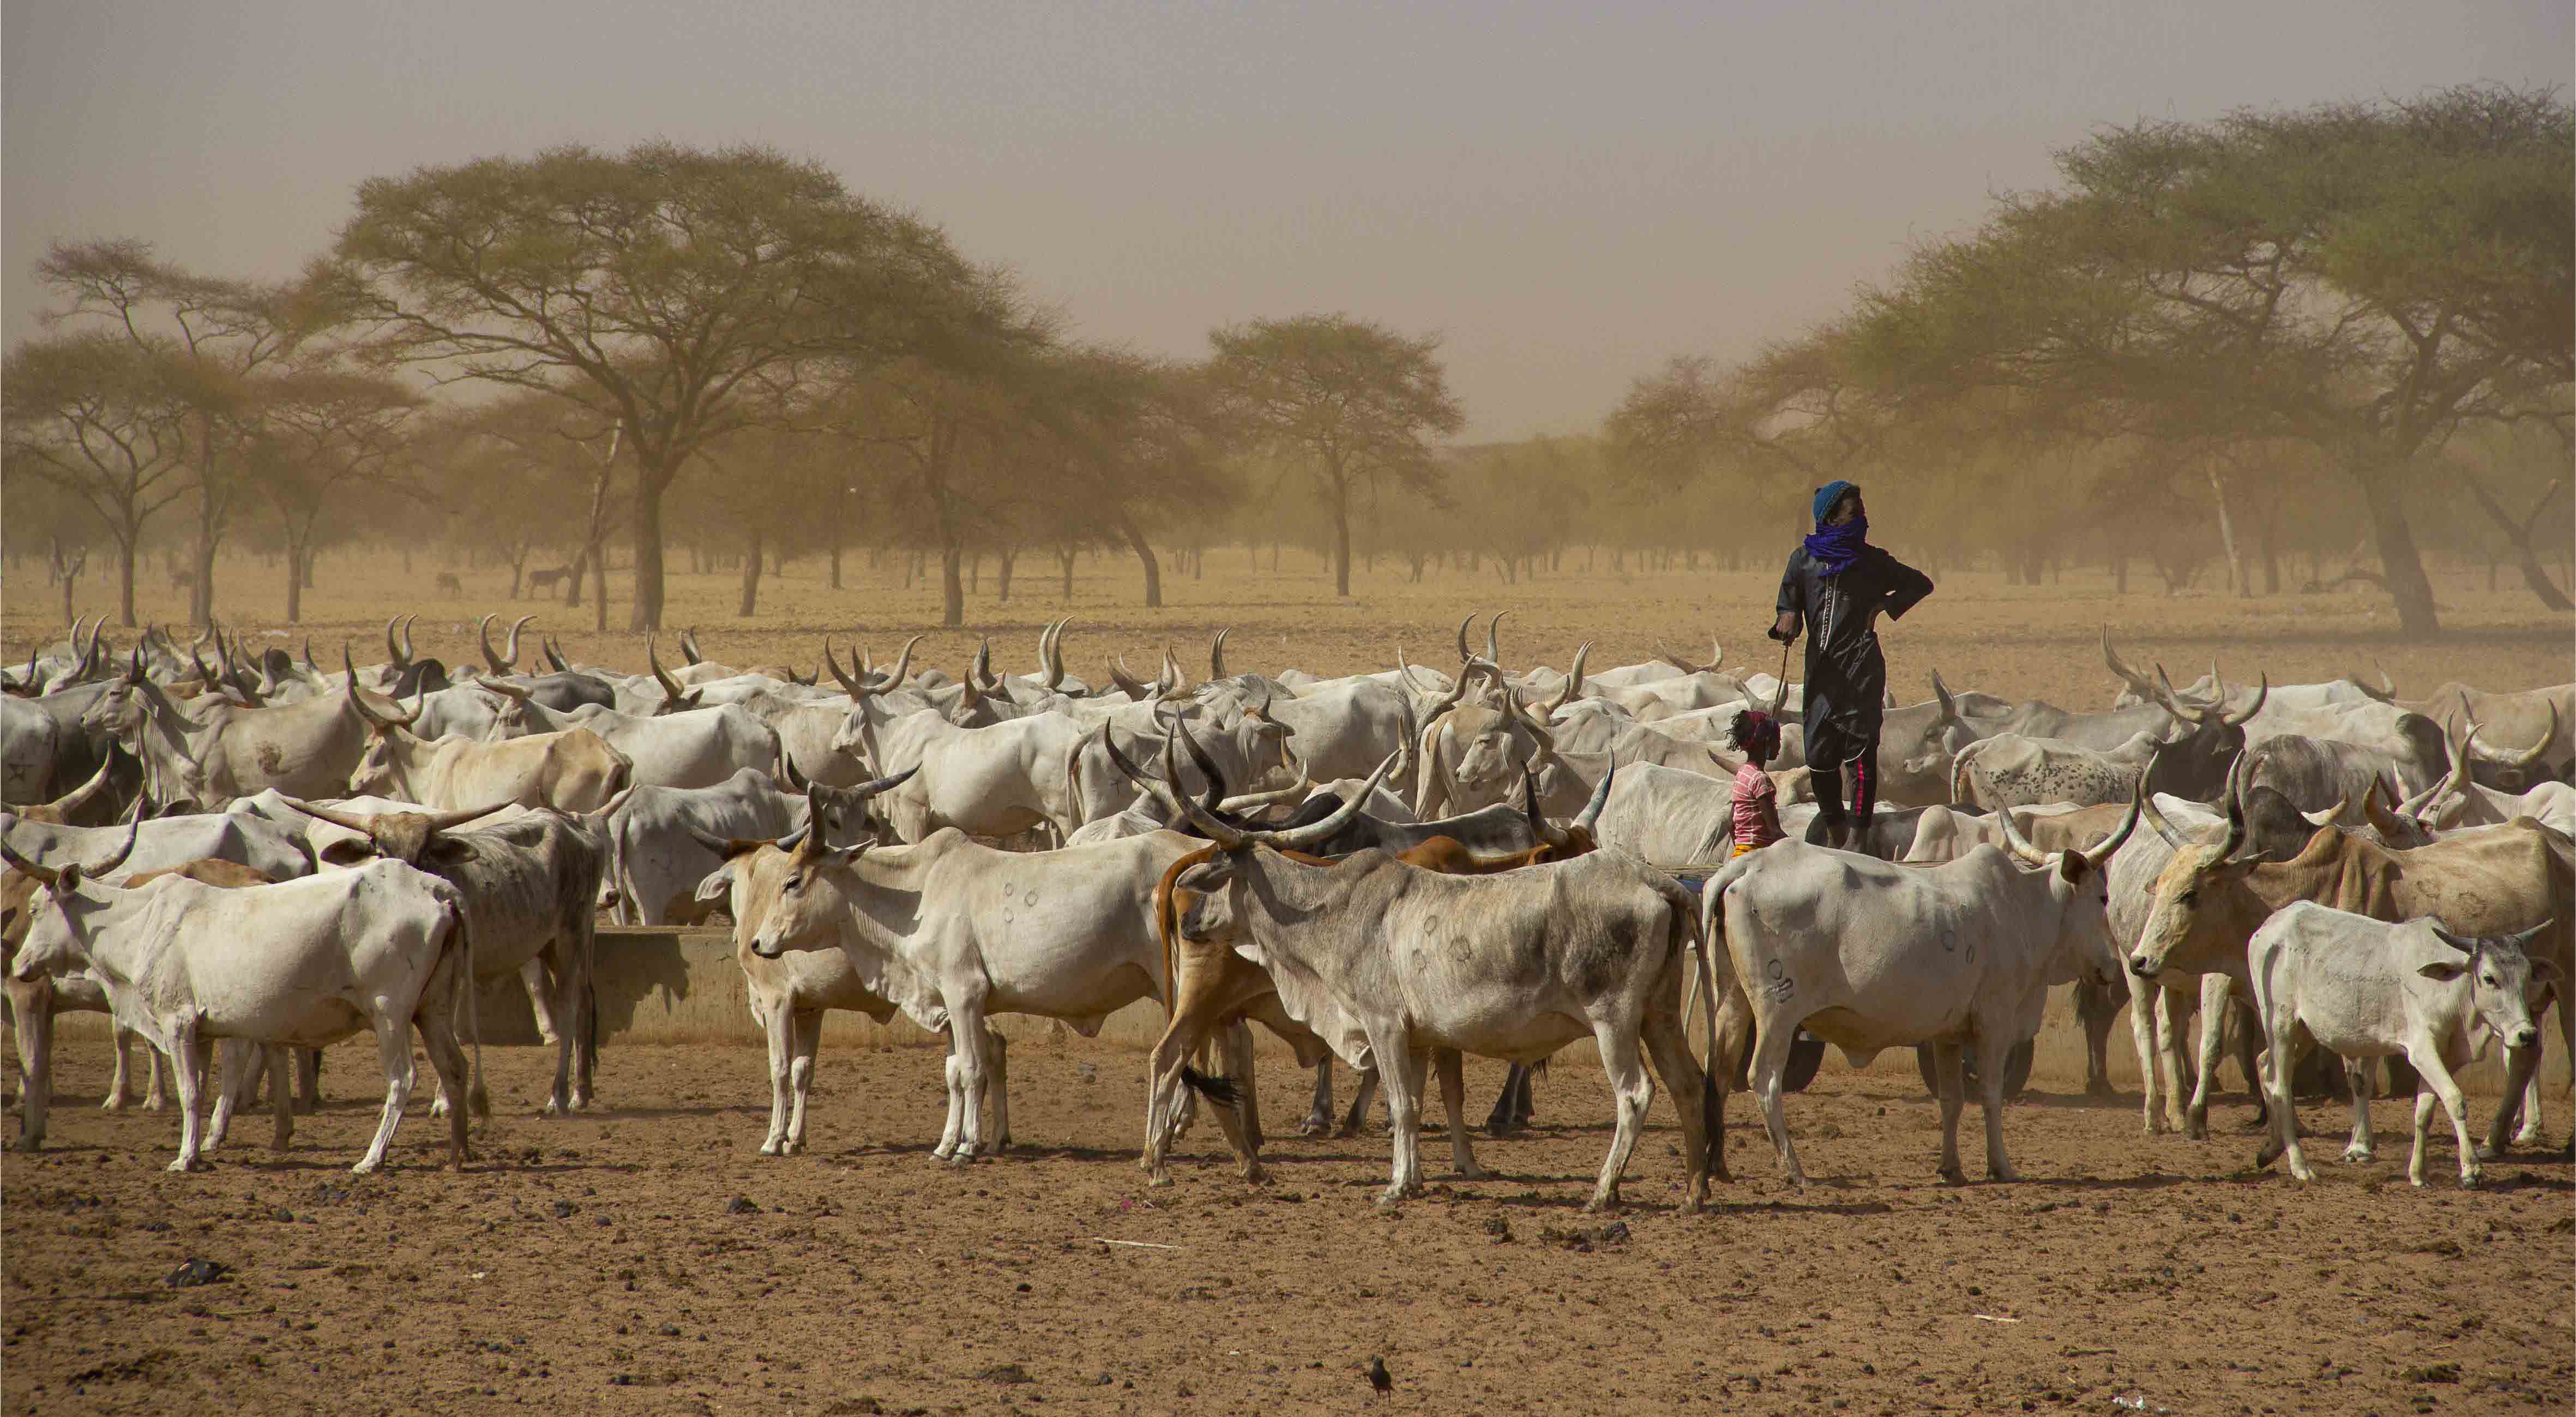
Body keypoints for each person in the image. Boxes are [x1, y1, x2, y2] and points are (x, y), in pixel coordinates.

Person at [1767, 480, 1934, 852]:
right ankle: (1836, 832)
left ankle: (1858, 840)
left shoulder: (1873, 561)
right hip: (1821, 672)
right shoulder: (1803, 561)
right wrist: (1788, 618)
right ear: (1830, 516)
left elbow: (1921, 584)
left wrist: (1885, 607)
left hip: (1862, 668)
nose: (1862, 516)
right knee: (1819, 757)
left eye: (1861, 510)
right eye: (1853, 511)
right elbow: (1788, 599)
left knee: (1861, 755)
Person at [1726, 708, 1785, 856]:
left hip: (1739, 853)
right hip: (1758, 854)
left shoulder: (1743, 773)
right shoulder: (1761, 780)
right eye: (1777, 740)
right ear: (1766, 742)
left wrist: (1741, 852)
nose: (1779, 746)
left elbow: (1730, 824)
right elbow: (1775, 832)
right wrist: (1801, 851)